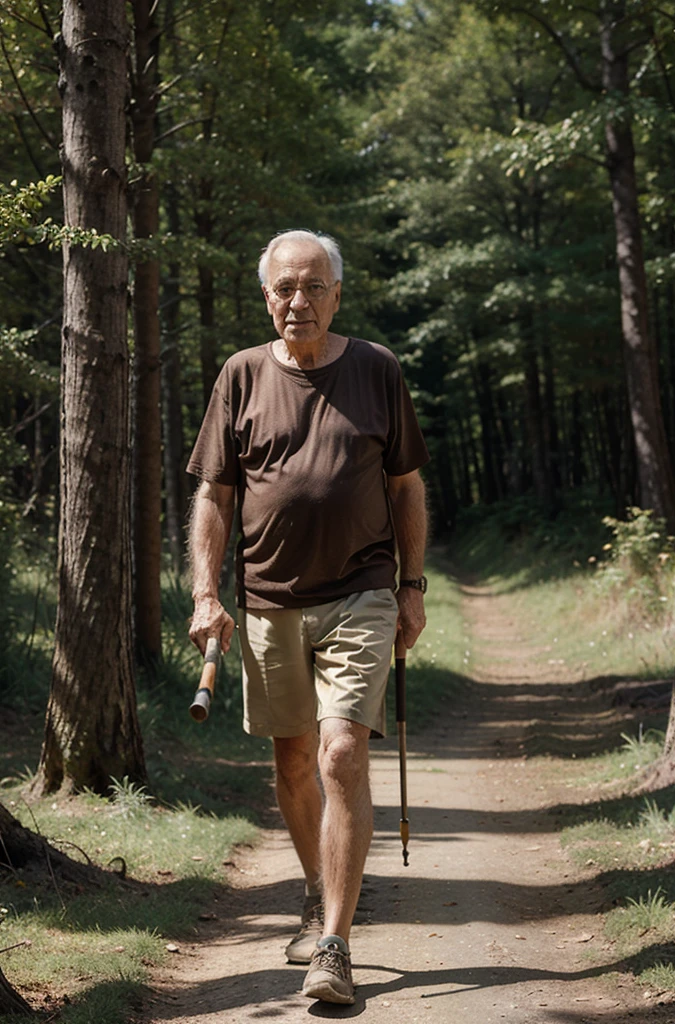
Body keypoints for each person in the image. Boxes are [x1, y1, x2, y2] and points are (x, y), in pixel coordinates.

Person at [186, 229, 429, 1005]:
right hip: (268, 603)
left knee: (337, 756)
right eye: (284, 288)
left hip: (362, 592)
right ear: (268, 296)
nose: (299, 300)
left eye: (312, 286)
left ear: (337, 293)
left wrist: (413, 586)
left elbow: (406, 490)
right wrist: (204, 592)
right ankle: (314, 886)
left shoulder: (377, 370)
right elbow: (215, 497)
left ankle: (334, 944)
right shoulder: (241, 375)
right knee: (292, 762)